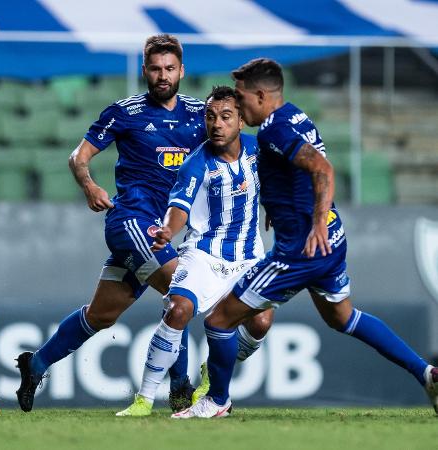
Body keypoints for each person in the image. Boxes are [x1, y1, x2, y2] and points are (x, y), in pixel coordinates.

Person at [172, 58, 438, 419]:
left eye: (242, 96)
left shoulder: (272, 131)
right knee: (343, 318)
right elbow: (295, 173)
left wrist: (312, 223)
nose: (239, 103)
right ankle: (426, 373)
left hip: (300, 249)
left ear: (261, 95)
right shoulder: (295, 115)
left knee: (219, 320)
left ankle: (216, 401)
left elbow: (321, 168)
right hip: (332, 237)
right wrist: (278, 206)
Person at [116, 85, 274, 417]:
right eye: (210, 116)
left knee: (260, 322)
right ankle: (144, 400)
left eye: (225, 117)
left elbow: (278, 179)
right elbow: (179, 208)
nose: (216, 124)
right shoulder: (196, 163)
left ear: (241, 120)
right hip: (204, 254)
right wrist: (168, 231)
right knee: (178, 309)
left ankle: (211, 372)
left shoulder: (257, 151)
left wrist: (276, 205)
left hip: (248, 257)